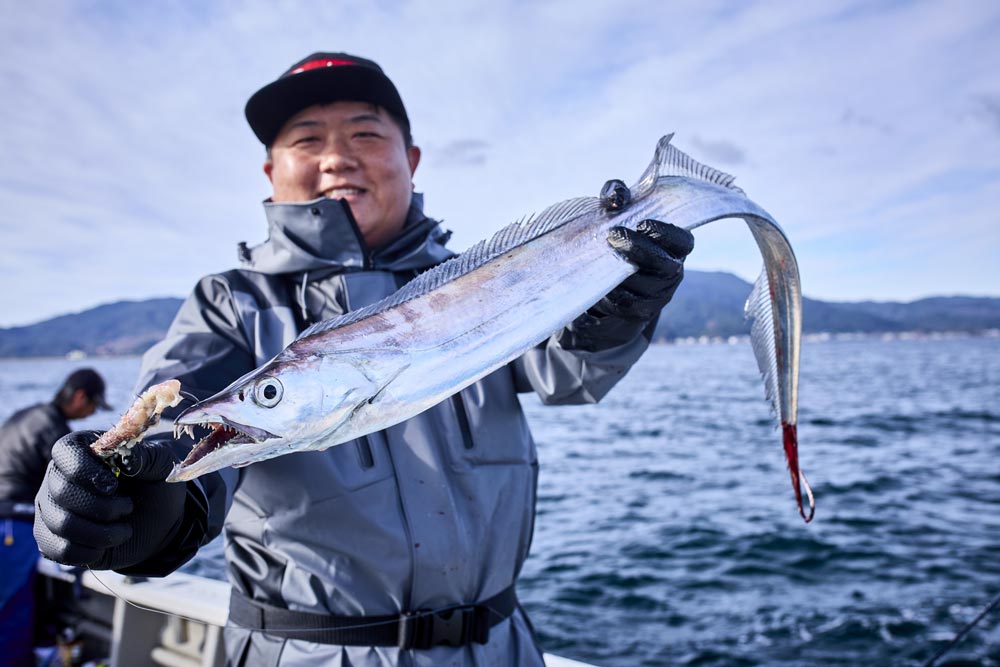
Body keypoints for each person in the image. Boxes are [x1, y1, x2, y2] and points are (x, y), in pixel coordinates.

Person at [33, 53, 694, 666]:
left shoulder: (485, 279)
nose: (337, 158)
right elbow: (185, 424)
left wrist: (618, 311)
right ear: (271, 172)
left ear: (411, 159)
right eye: (306, 139)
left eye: (365, 135)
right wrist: (146, 501)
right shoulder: (232, 305)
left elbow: (566, 373)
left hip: (502, 648)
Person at [0, 368, 110, 666]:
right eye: (94, 405)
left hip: (7, 520)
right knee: (11, 609)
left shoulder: (25, 415)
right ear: (80, 397)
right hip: (11, 525)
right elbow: (73, 486)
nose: (92, 413)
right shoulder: (54, 430)